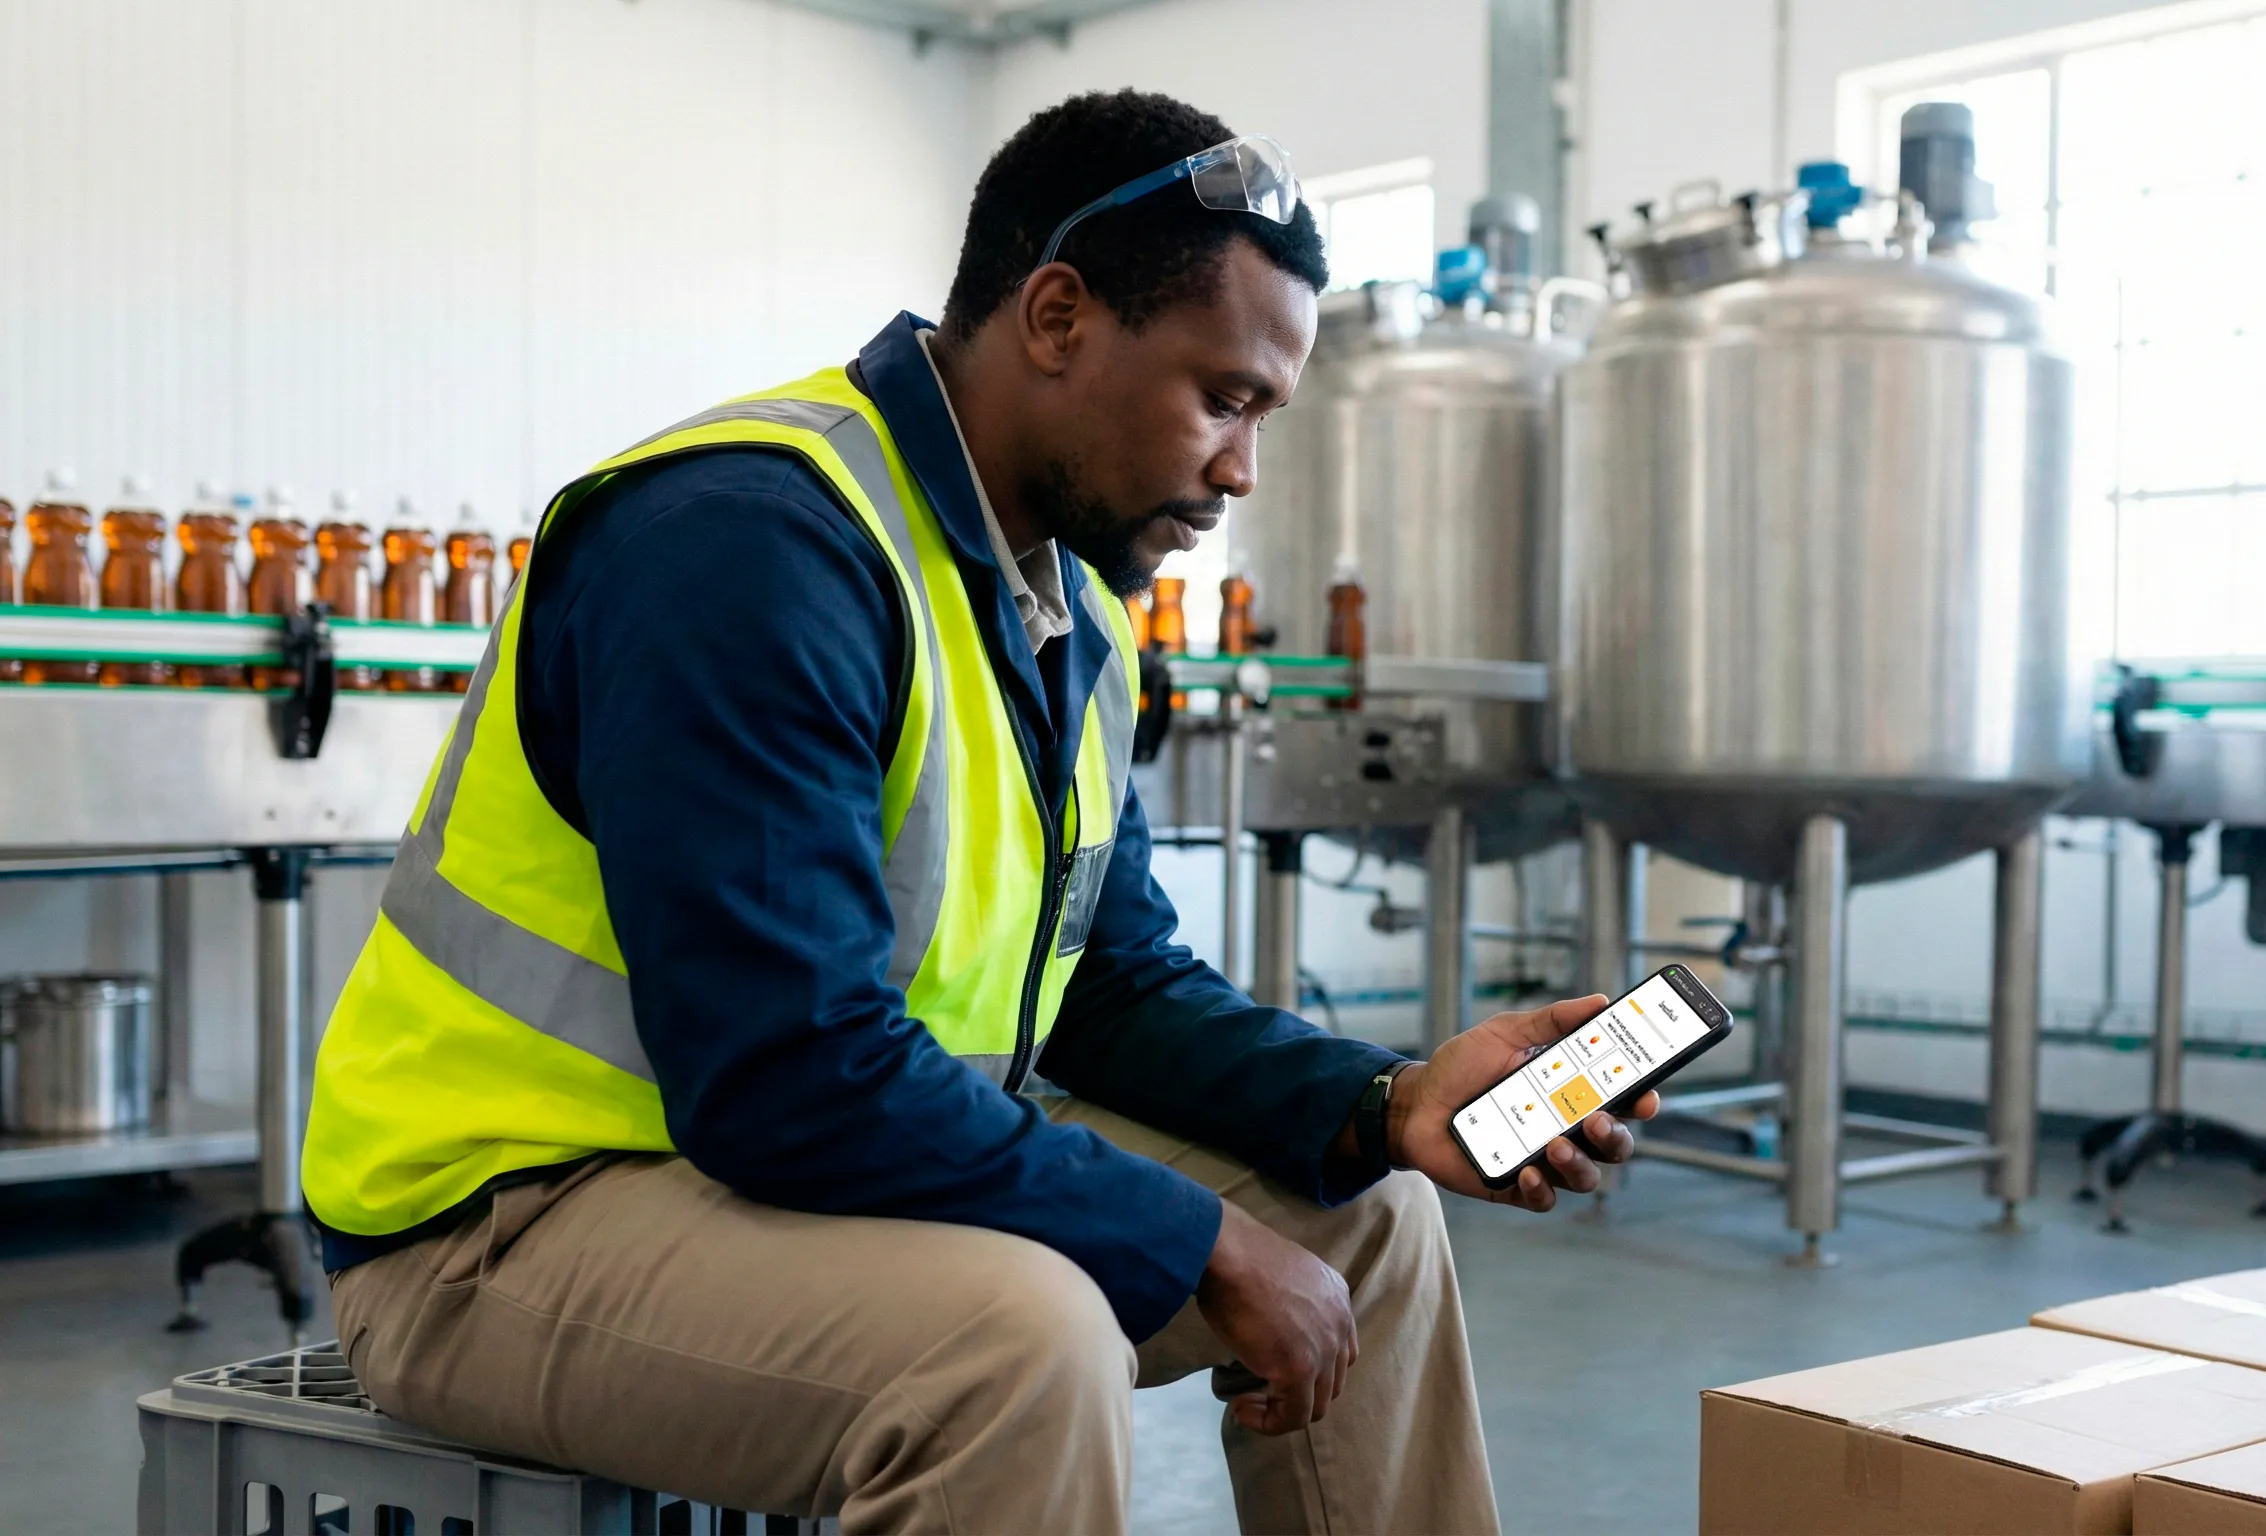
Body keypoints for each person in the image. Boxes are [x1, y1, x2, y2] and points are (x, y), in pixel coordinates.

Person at [300, 88, 1652, 1536]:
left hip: (786, 1180)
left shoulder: (1067, 608)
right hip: (506, 1224)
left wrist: (1385, 1102)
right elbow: (783, 1072)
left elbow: (1111, 991)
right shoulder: (751, 549)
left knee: (1370, 1221)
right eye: (1223, 397)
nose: (1240, 472)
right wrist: (1196, 1237)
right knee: (1013, 1345)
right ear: (1059, 318)